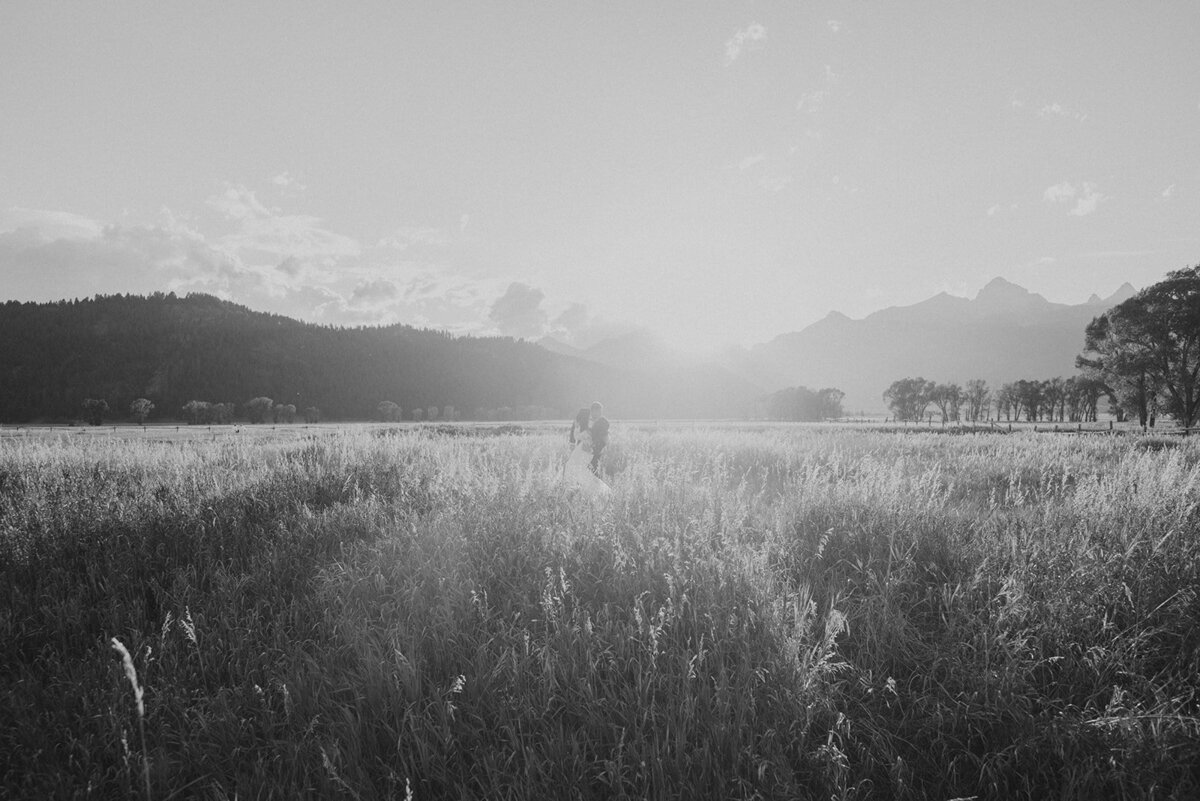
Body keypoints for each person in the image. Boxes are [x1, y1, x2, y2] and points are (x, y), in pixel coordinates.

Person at [564, 406, 610, 497]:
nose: (597, 415)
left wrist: (592, 447)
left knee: (580, 469)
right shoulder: (587, 420)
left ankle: (588, 490)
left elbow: (600, 441)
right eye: (595, 412)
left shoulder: (599, 426)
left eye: (599, 412)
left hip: (587, 450)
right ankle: (577, 489)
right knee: (577, 468)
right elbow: (576, 433)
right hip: (584, 449)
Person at [587, 401, 609, 476]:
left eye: (598, 411)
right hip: (587, 449)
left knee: (594, 468)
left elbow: (604, 437)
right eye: (592, 411)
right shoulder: (588, 421)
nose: (593, 414)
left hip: (597, 449)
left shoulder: (603, 422)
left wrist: (596, 446)